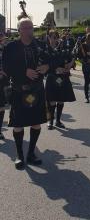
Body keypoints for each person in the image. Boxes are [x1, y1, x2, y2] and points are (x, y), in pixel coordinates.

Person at [3, 17, 50, 169]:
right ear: (19, 30)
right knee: (18, 124)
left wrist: (47, 66)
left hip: (37, 90)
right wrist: (24, 71)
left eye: (31, 27)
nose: (29, 30)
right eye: (25, 28)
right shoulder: (11, 47)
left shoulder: (40, 45)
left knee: (36, 122)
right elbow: (6, 67)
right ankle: (19, 155)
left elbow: (52, 59)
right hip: (19, 90)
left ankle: (31, 154)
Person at [45, 30, 76, 129]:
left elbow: (72, 57)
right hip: (52, 77)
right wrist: (55, 69)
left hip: (62, 78)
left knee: (61, 100)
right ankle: (50, 121)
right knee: (51, 101)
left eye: (56, 37)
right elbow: (43, 64)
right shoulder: (45, 50)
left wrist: (69, 65)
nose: (55, 39)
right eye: (53, 37)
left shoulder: (62, 49)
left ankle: (58, 121)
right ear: (49, 38)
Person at [0, 30, 9, 140]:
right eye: (2, 39)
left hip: (3, 82)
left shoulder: (5, 50)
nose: (4, 41)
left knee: (2, 107)